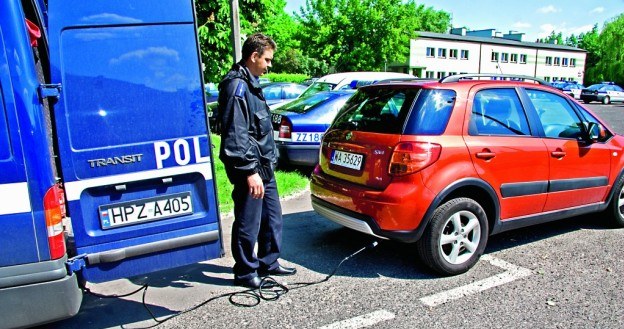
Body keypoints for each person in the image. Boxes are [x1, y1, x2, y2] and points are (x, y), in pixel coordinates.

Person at [217, 33, 296, 289]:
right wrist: (249, 171)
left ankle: (269, 262)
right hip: (250, 167)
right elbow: (236, 134)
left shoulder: (252, 83)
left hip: (264, 165)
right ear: (254, 56)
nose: (270, 65)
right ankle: (245, 271)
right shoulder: (236, 86)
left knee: (272, 217)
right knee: (248, 223)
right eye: (268, 59)